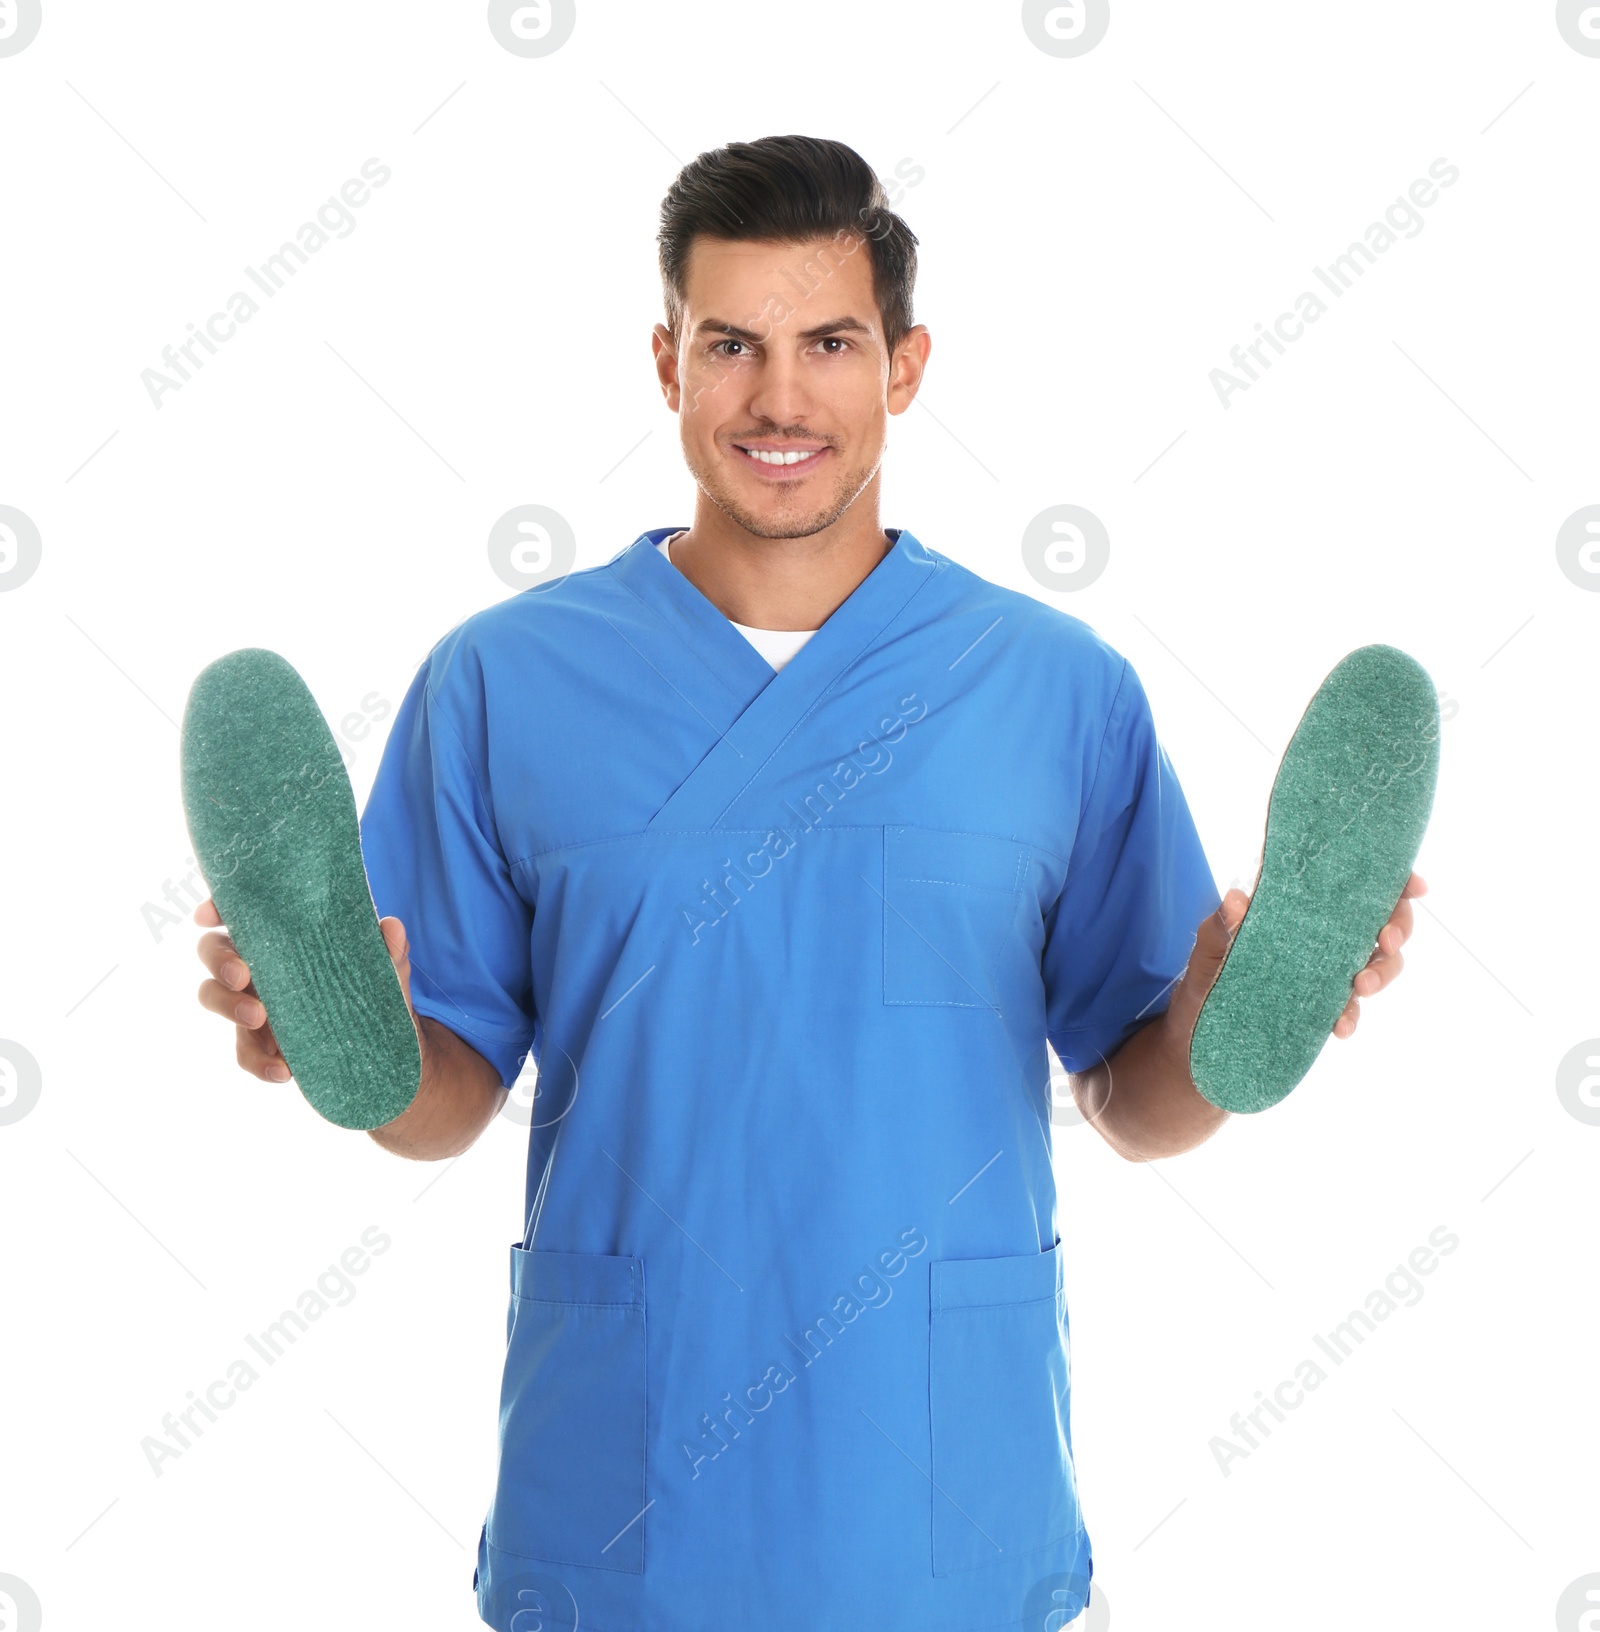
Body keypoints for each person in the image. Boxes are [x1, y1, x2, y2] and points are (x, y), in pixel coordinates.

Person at [192, 134, 1423, 1632]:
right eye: (733, 346)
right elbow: (443, 1108)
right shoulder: (504, 685)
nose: (781, 399)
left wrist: (1228, 1010)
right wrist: (358, 1043)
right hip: (627, 1486)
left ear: (905, 368)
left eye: (829, 342)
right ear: (666, 364)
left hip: (939, 1478)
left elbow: (1134, 1098)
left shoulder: (1051, 690)